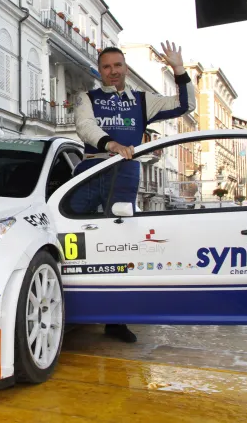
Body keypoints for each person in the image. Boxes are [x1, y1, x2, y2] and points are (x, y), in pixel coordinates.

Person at [71, 42, 196, 344]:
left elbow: (185, 105)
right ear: (99, 71)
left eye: (117, 66)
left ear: (125, 68)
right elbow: (84, 127)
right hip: (91, 168)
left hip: (126, 171)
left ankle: (116, 320)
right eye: (106, 67)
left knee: (120, 243)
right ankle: (71, 305)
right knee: (72, 234)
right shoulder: (86, 98)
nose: (112, 71)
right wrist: (111, 145)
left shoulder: (142, 101)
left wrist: (179, 70)